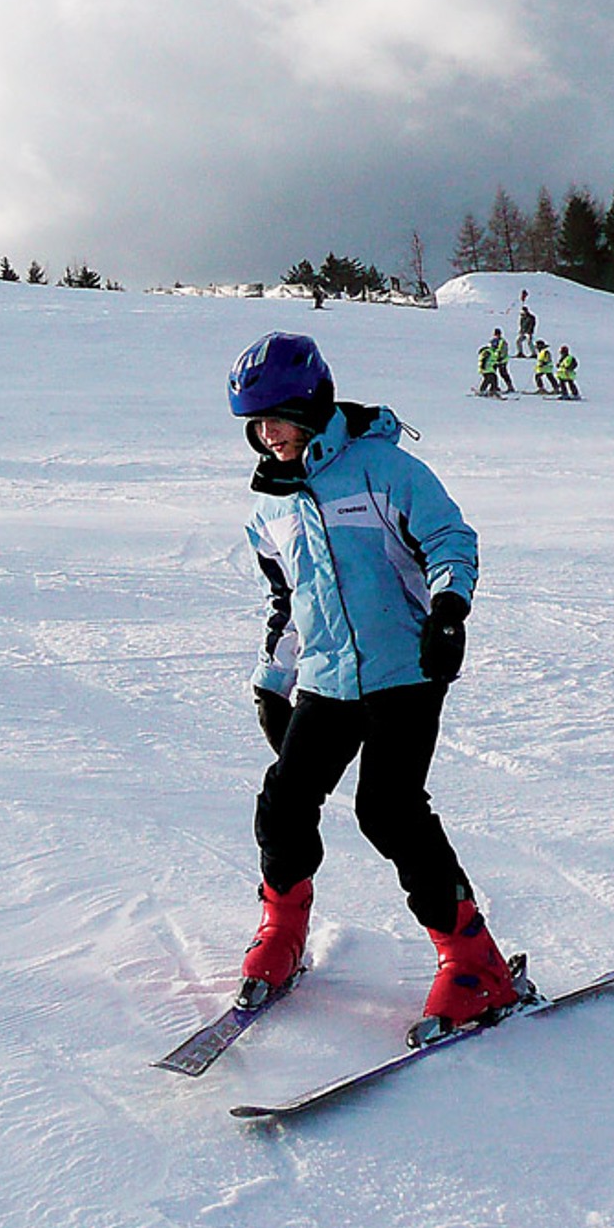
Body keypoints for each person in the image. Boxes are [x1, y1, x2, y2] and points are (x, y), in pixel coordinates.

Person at [227, 330, 524, 1037]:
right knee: (284, 802)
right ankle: (282, 933)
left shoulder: (385, 470)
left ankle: (475, 965)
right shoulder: (270, 508)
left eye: (279, 420)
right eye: (257, 425)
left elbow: (451, 540)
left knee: (388, 811)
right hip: (327, 679)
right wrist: (276, 680)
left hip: (405, 668)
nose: (269, 436)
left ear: (313, 406)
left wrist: (449, 612)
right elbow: (288, 602)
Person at [515, 292, 537, 356]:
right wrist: (521, 330)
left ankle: (534, 353)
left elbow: (532, 325)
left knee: (529, 342)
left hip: (528, 332)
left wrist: (529, 332)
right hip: (523, 332)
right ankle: (520, 352)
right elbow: (521, 324)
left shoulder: (531, 317)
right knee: (518, 341)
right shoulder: (522, 317)